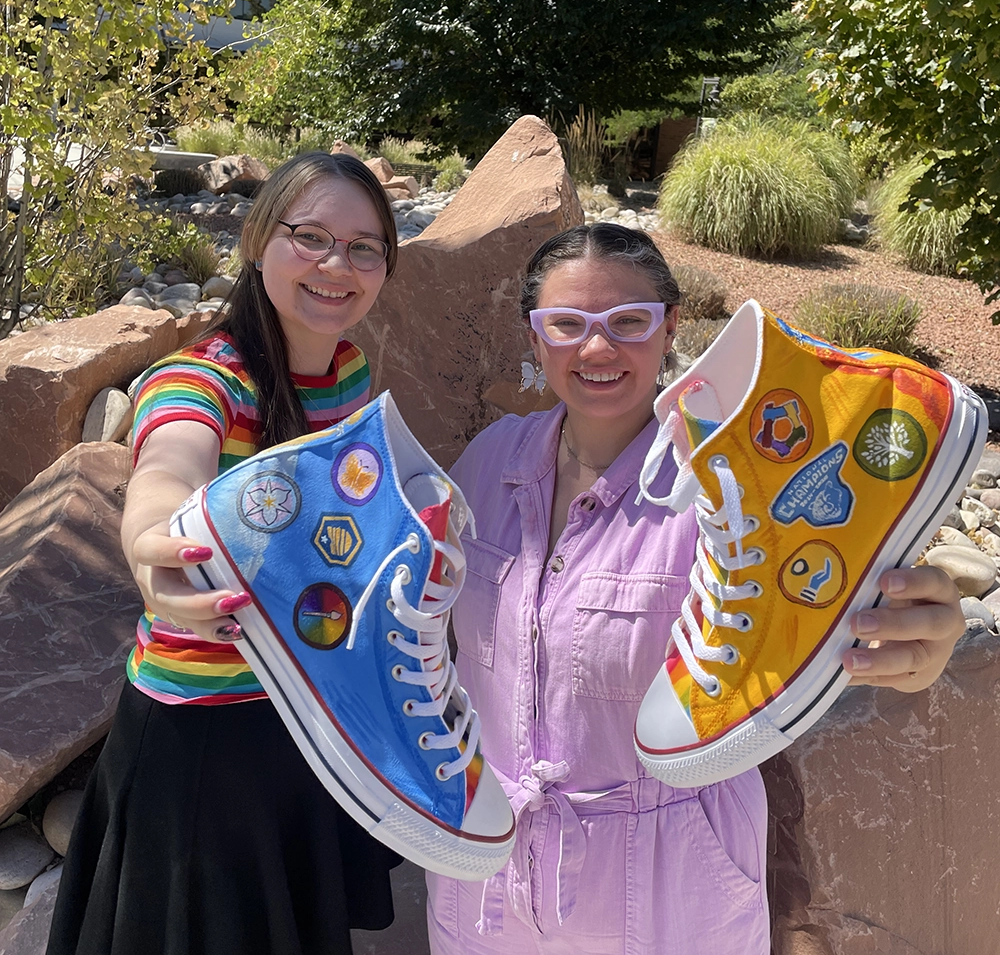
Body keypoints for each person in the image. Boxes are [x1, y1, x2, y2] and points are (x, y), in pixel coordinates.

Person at [425, 223, 966, 954]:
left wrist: (913, 640)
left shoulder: (736, 489)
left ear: (671, 326)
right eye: (566, 325)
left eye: (628, 321)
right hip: (487, 872)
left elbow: (815, 607)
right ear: (533, 337)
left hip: (670, 878)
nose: (596, 348)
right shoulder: (486, 463)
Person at [47, 152, 404, 955]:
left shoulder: (345, 374)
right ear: (254, 238)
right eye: (308, 237)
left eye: (362, 247)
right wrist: (153, 550)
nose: (335, 265)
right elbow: (170, 468)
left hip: (306, 720)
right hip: (205, 742)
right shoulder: (203, 380)